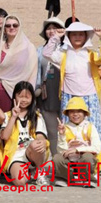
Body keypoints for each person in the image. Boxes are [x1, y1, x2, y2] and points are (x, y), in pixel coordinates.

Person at [42, 21, 101, 160]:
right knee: (67, 131)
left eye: (81, 34)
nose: (77, 37)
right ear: (68, 36)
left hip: (89, 98)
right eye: (74, 34)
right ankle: (69, 162)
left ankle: (96, 162)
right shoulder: (63, 54)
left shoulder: (91, 54)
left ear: (86, 36)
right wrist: (56, 37)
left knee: (93, 131)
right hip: (69, 98)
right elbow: (46, 53)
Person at [0, 81, 50, 186]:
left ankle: (39, 171)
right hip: (15, 154)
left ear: (32, 98)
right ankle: (30, 172)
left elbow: (40, 136)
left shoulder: (37, 116)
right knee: (20, 182)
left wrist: (42, 142)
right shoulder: (7, 116)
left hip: (32, 152)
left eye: (27, 97)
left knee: (36, 144)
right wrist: (13, 117)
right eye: (20, 96)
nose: (23, 100)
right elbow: (5, 136)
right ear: (14, 97)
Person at [53, 97, 101, 187]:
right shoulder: (64, 128)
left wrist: (77, 150)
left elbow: (96, 148)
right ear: (68, 114)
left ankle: (87, 178)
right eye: (72, 111)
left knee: (87, 157)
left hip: (84, 161)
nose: (75, 114)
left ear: (85, 113)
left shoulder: (90, 127)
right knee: (57, 158)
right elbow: (61, 151)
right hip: (70, 161)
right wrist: (61, 135)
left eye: (79, 111)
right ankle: (65, 178)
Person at [0, 15, 38, 113]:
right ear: (4, 29)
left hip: (20, 92)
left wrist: (28, 94)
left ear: (19, 27)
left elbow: (33, 72)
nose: (11, 28)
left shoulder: (29, 47)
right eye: (8, 25)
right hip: (0, 91)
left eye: (15, 25)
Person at [36, 17, 65, 154]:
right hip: (47, 92)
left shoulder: (67, 48)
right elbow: (37, 71)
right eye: (49, 28)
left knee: (67, 128)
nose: (52, 31)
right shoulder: (40, 50)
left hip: (65, 91)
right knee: (52, 130)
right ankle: (55, 158)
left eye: (55, 28)